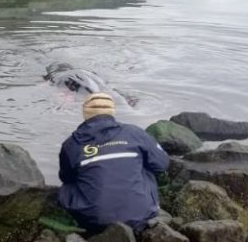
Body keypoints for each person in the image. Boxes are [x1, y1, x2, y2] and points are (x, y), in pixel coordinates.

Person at [57, 93, 169, 233]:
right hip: (141, 216)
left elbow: (66, 178)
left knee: (65, 187)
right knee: (146, 166)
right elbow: (162, 164)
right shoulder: (135, 132)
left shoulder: (71, 144)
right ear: (112, 111)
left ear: (85, 112)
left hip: (94, 220)